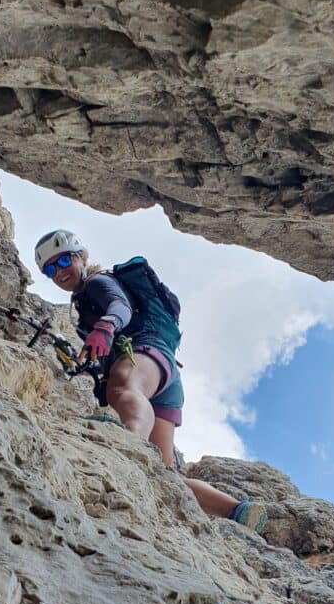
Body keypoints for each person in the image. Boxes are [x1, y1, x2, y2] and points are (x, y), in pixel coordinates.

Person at [35, 229, 267, 535]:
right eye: (50, 269)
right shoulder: (82, 305)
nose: (59, 272)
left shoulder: (96, 282)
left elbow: (119, 306)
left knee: (122, 389)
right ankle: (236, 510)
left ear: (81, 257)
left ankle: (128, 442)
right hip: (163, 376)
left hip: (143, 354)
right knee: (163, 472)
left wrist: (106, 325)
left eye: (64, 260)